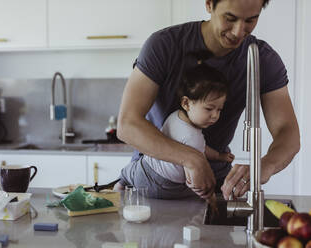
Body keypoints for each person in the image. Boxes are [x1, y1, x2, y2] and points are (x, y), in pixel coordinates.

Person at [114, 0, 300, 200]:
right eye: (230, 18)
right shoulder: (164, 45)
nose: (239, 31)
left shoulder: (262, 59)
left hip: (215, 182)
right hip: (156, 178)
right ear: (209, 4)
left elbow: (287, 132)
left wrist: (266, 165)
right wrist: (192, 158)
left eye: (250, 20)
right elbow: (128, 125)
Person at [117, 63, 235, 199]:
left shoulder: (175, 116)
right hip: (168, 188)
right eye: (209, 109)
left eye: (219, 110)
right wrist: (208, 195)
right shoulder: (193, 138)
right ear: (186, 103)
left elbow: (200, 149)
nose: (215, 115)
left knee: (127, 172)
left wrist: (219, 156)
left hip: (143, 173)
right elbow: (194, 179)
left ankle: (119, 187)